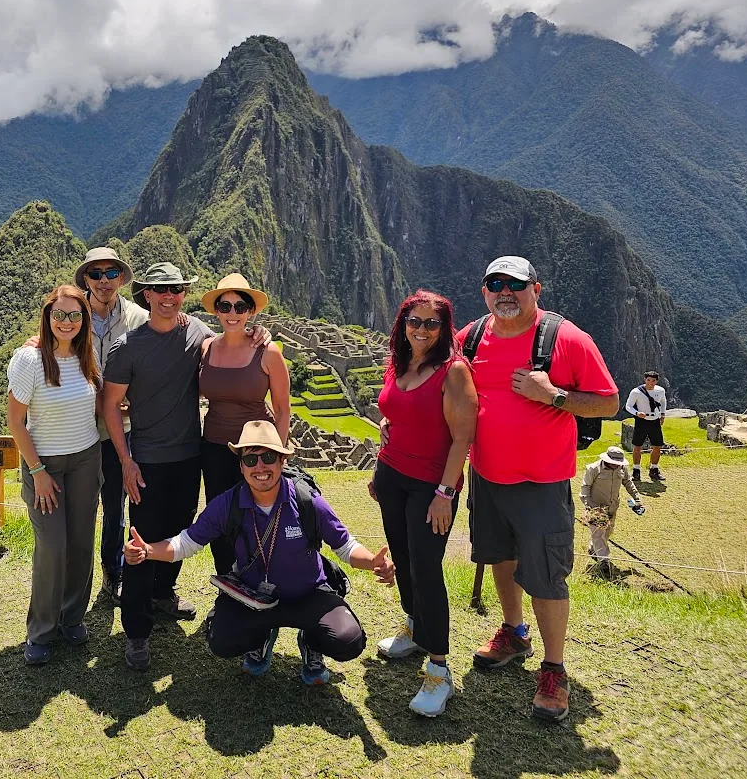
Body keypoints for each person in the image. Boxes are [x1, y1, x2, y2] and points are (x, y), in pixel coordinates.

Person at [458, 256, 619, 722]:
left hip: (542, 482)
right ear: (485, 291)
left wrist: (553, 396)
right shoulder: (471, 337)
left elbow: (609, 403)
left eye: (515, 284)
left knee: (547, 574)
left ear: (536, 289)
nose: (505, 292)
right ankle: (514, 632)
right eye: (495, 284)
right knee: (500, 556)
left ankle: (553, 669)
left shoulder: (566, 339)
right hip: (486, 475)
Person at [124, 420, 395, 684]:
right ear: (241, 466)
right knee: (221, 640)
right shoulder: (228, 504)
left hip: (308, 594)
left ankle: (312, 642)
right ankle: (261, 637)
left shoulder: (305, 500)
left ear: (282, 461)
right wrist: (147, 550)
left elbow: (345, 546)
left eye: (268, 457)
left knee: (348, 640)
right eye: (251, 460)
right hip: (255, 598)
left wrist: (372, 562)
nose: (260, 467)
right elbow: (186, 543)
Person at [101, 262, 270, 671]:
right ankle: (137, 632)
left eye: (176, 289)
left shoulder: (197, 333)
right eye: (160, 290)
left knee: (181, 530)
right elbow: (110, 406)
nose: (168, 296)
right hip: (147, 460)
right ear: (146, 295)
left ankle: (163, 595)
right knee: (142, 542)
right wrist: (125, 461)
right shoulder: (127, 347)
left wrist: (257, 333)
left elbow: (230, 342)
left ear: (184, 293)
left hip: (191, 457)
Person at [369, 290, 477, 717]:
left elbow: (463, 438)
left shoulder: (454, 371)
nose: (422, 329)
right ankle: (414, 627)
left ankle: (438, 670)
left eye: (432, 323)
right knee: (403, 557)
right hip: (391, 474)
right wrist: (387, 424)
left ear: (444, 328)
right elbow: (397, 409)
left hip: (431, 485)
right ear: (403, 323)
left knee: (427, 569)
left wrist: (445, 494)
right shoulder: (400, 363)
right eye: (415, 321)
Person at [6, 285, 103, 665]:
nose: (66, 322)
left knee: (81, 542)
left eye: (74, 315)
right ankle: (42, 630)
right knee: (52, 547)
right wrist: (38, 472)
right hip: (43, 463)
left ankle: (72, 617)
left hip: (85, 459)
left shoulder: (86, 355)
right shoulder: (30, 360)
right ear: (47, 317)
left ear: (84, 320)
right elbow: (16, 422)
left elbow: (93, 402)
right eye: (59, 314)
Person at [199, 273, 291, 577]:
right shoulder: (206, 348)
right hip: (214, 448)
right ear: (216, 311)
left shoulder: (268, 352)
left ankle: (259, 582)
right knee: (220, 518)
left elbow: (282, 408)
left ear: (250, 311)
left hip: (257, 450)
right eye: (225, 306)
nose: (232, 313)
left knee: (257, 518)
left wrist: (277, 455)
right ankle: (227, 584)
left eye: (240, 307)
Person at [74, 247, 150, 604]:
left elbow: (156, 357)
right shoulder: (73, 315)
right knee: (80, 507)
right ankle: (74, 581)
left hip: (122, 429)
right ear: (86, 279)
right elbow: (48, 344)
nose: (103, 281)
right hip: (81, 430)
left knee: (116, 506)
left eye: (111, 273)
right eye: (96, 274)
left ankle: (113, 574)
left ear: (121, 277)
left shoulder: (137, 318)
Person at [580, 446, 644, 577]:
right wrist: (592, 507)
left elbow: (628, 482)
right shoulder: (593, 469)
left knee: (608, 531)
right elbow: (585, 489)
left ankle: (593, 548)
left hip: (612, 507)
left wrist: (637, 498)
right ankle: (604, 561)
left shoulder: (622, 469)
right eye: (614, 462)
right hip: (596, 509)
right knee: (598, 534)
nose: (616, 465)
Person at [625, 371, 667, 482]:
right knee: (637, 446)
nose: (650, 383)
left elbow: (663, 401)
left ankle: (654, 469)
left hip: (655, 421)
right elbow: (628, 406)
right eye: (648, 380)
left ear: (656, 381)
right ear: (645, 380)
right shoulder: (636, 392)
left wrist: (662, 414)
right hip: (641, 421)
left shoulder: (660, 390)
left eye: (653, 381)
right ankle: (636, 471)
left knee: (657, 446)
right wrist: (637, 413)